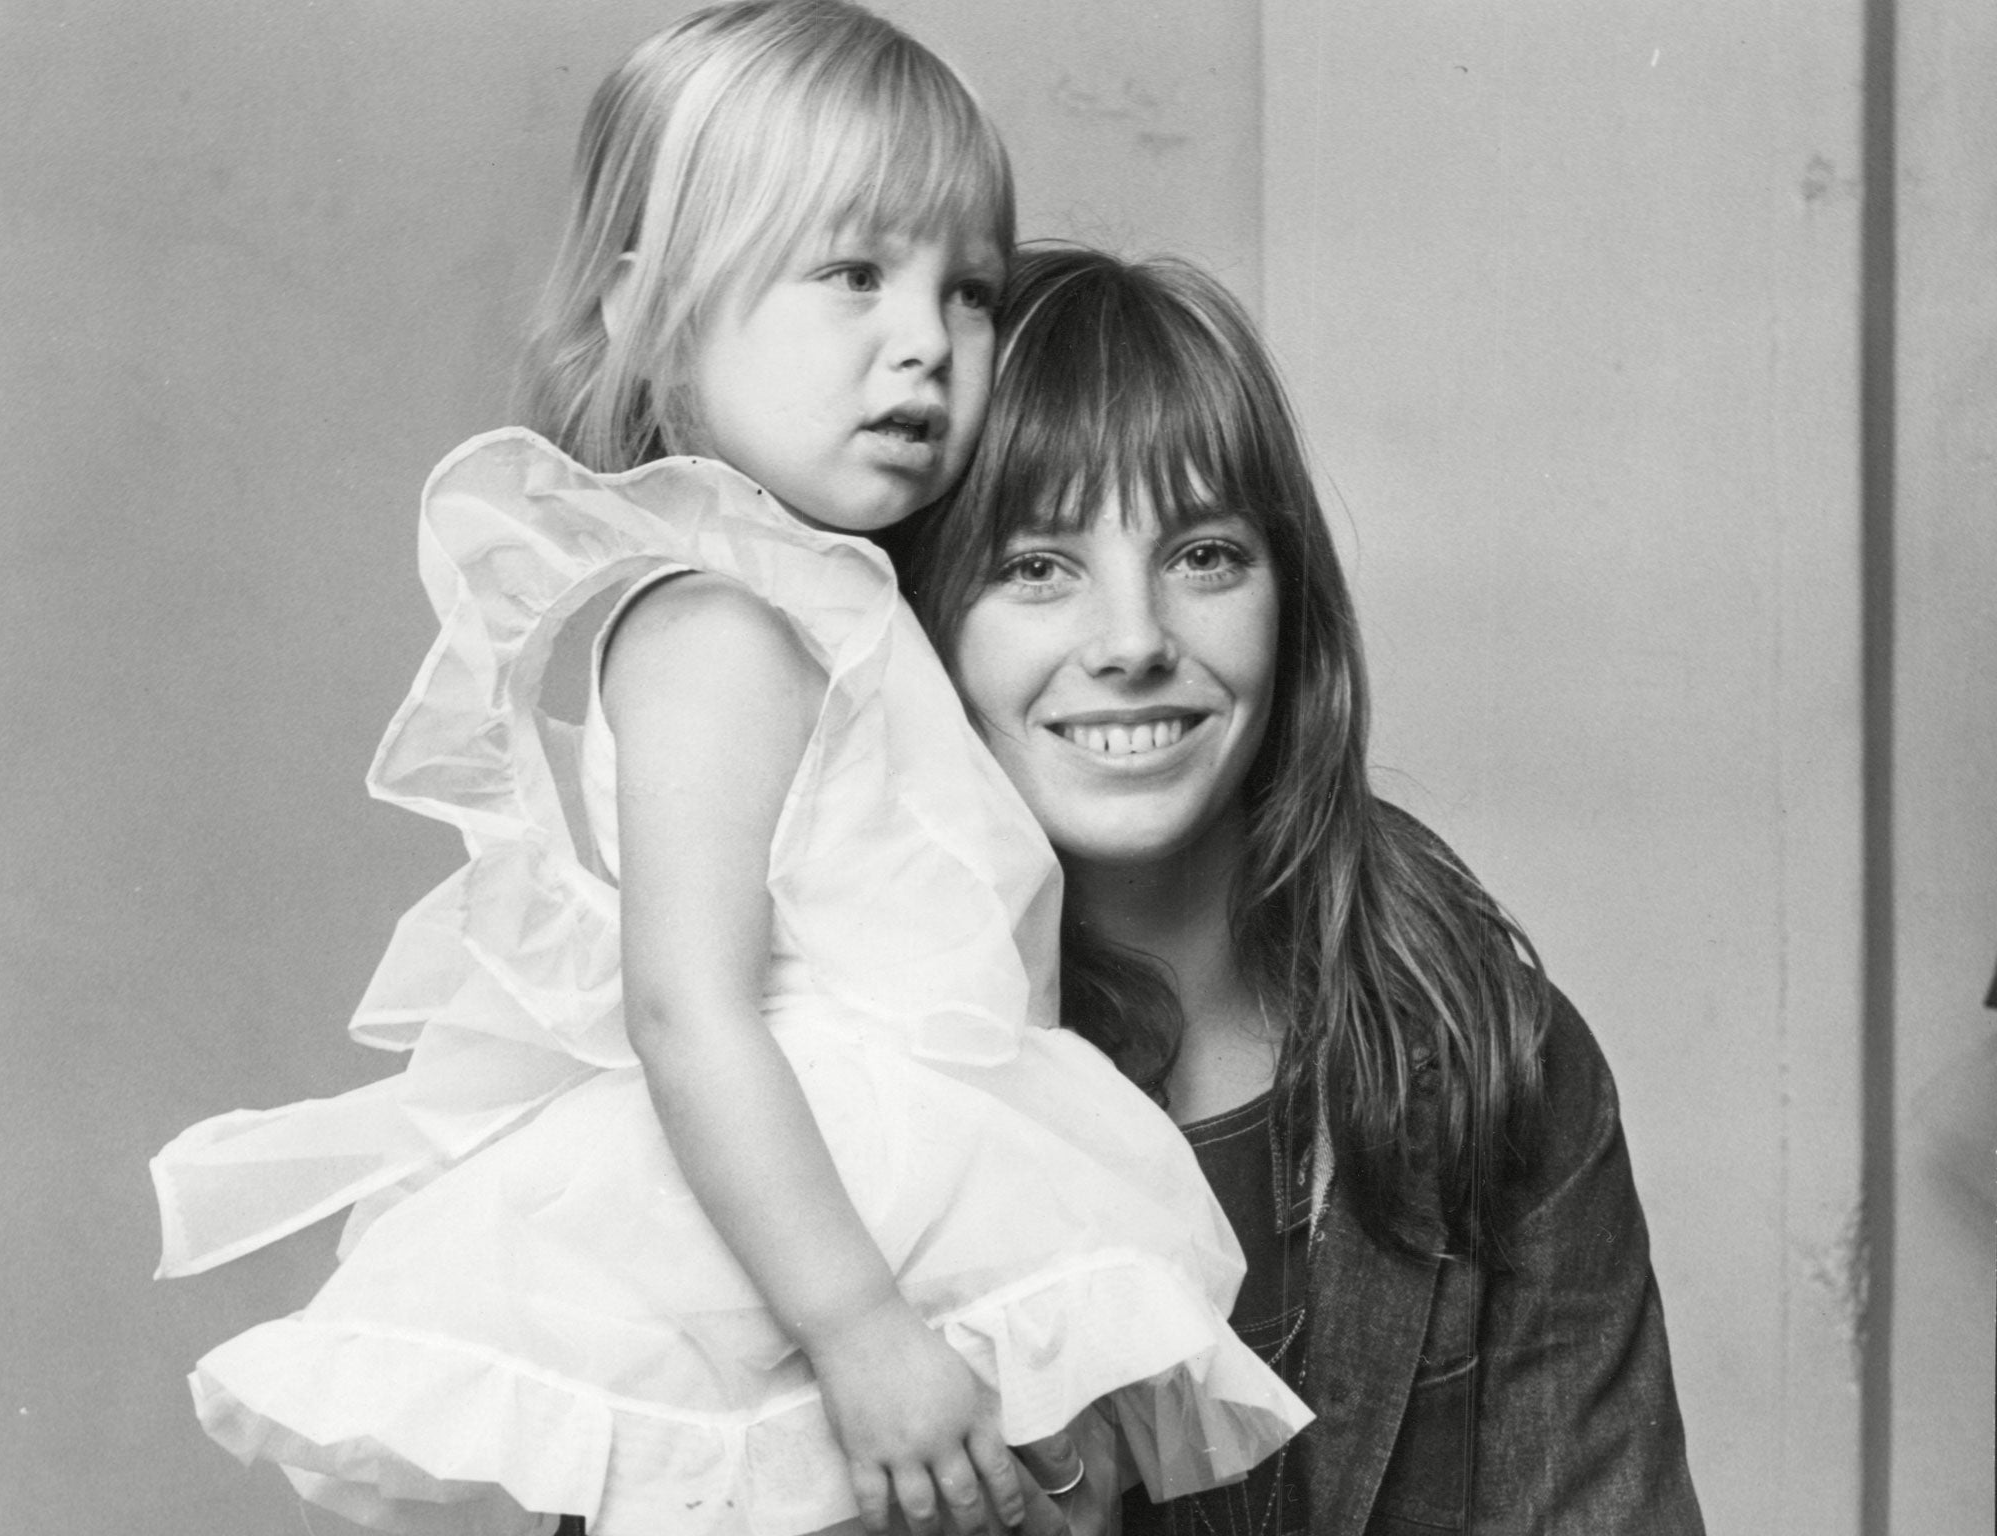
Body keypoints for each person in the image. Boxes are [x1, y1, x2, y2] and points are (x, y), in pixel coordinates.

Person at [147, 10, 1309, 1536]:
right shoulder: (717, 624)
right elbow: (684, 1007)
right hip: (808, 1242)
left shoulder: (818, 596)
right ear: (652, 308)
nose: (925, 342)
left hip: (900, 1197)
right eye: (851, 275)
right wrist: (862, 1334)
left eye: (966, 290)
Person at [900, 246, 1707, 1534]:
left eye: (1205, 554)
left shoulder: (1495, 1054)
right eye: (1035, 566)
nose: (1132, 641)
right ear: (916, 623)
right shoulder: (815, 1124)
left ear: (1291, 601)